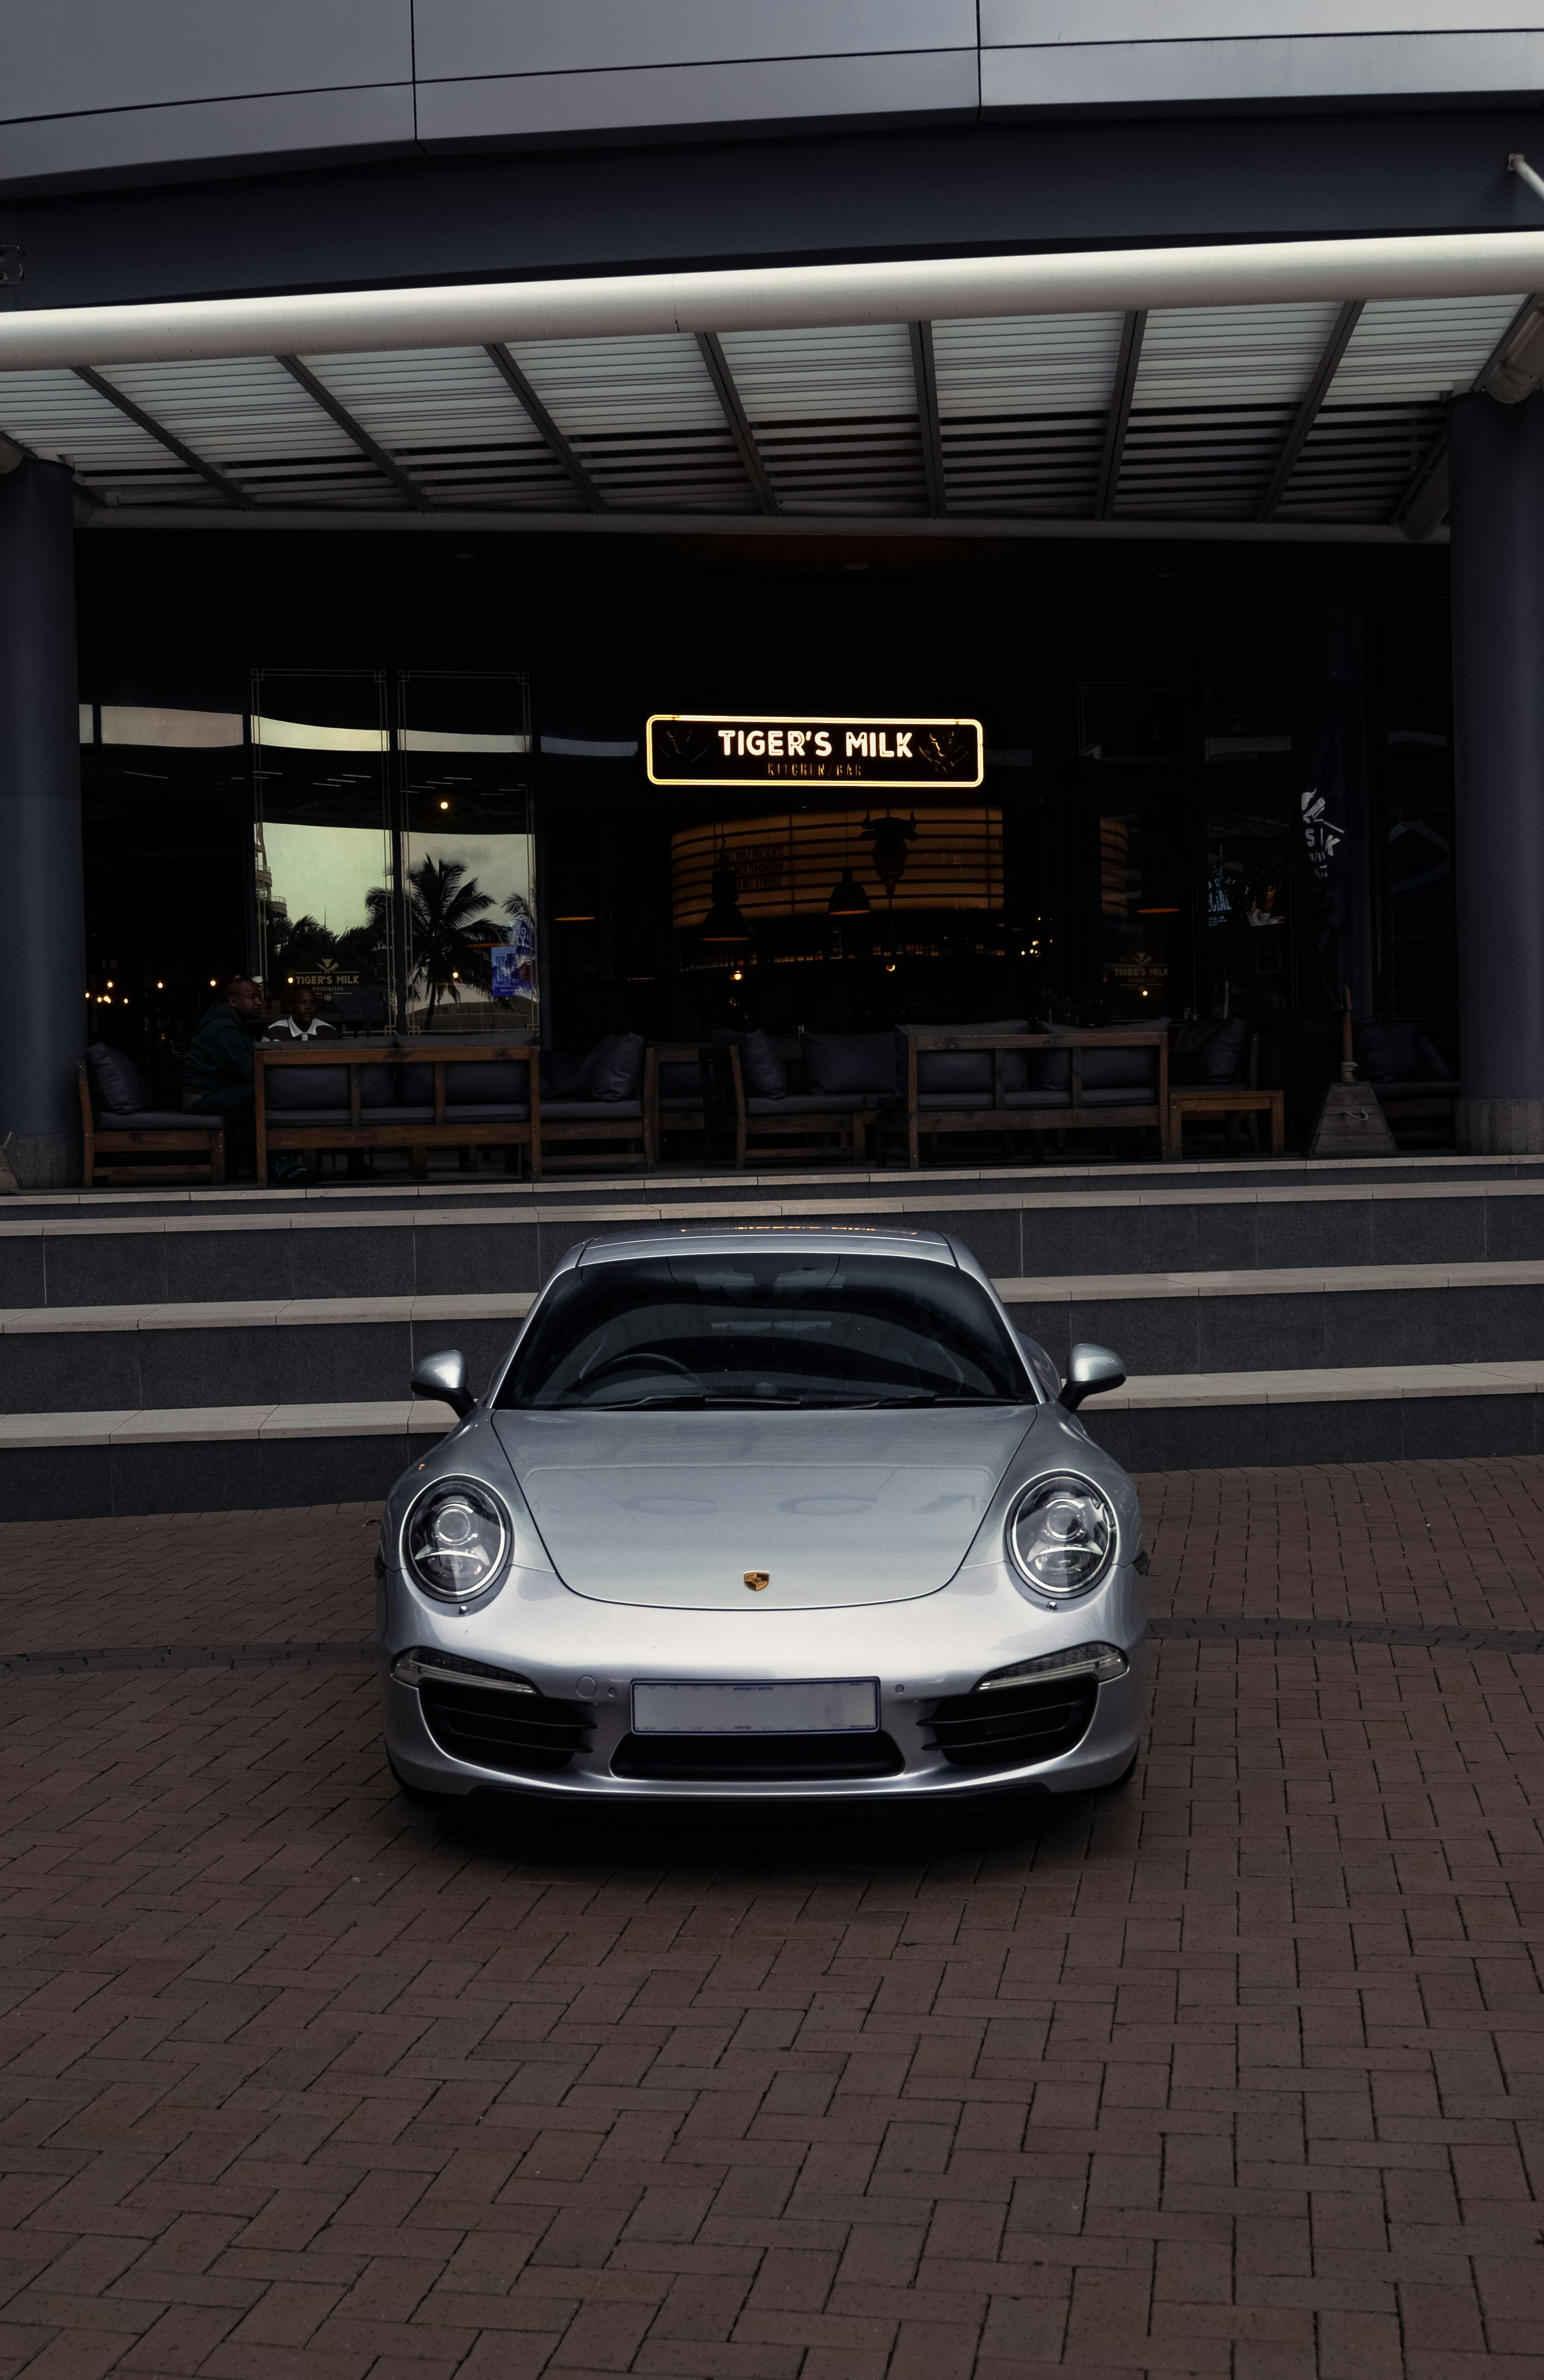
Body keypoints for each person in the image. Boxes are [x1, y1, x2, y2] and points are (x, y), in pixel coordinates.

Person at [183, 976, 263, 1119]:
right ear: (233, 1001)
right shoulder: (224, 1029)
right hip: (201, 1099)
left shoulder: (230, 1024)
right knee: (267, 1090)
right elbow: (248, 1073)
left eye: (259, 997)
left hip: (215, 1092)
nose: (259, 1002)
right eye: (252, 998)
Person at [264, 986, 337, 1042]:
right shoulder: (274, 1031)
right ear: (291, 1007)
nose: (308, 1007)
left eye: (313, 1003)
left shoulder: (329, 1031)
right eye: (302, 1002)